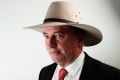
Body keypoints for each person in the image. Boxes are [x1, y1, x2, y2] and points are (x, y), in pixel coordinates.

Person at [26, 1, 120, 80]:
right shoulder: (45, 73)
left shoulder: (111, 76)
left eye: (59, 35)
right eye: (46, 36)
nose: (50, 45)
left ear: (79, 39)